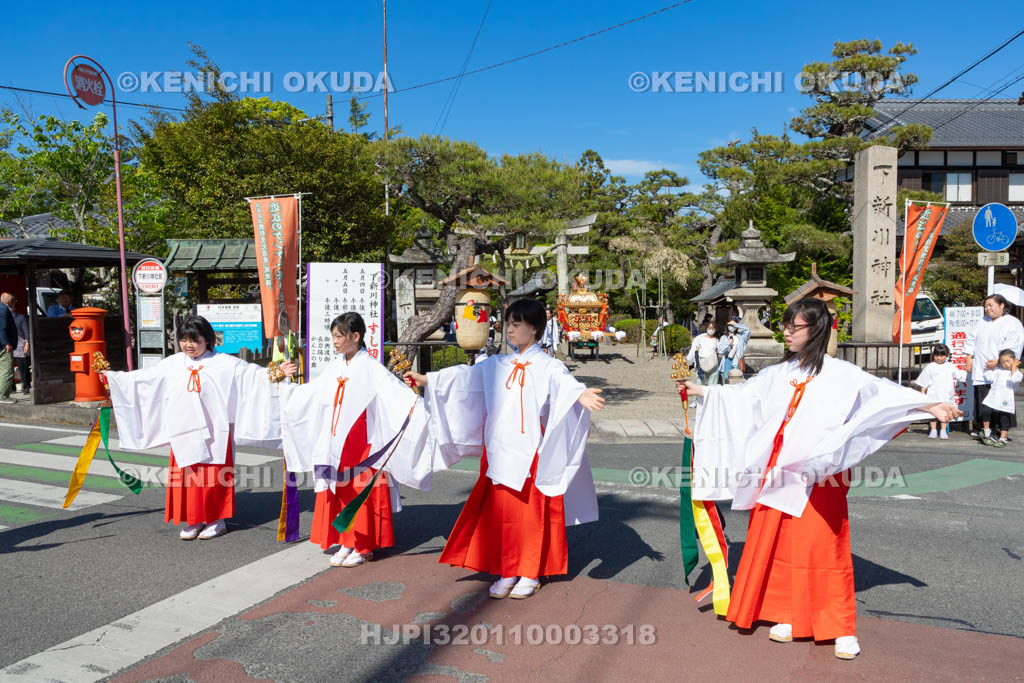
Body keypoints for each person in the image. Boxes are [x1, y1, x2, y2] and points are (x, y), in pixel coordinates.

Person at [680, 298, 959, 660]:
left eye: (793, 327)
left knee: (824, 545)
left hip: (818, 472)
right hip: (777, 471)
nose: (785, 332)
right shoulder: (777, 373)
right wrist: (702, 391)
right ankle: (789, 614)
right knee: (781, 543)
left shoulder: (842, 373)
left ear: (816, 329)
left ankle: (838, 624)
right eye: (785, 326)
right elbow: (743, 396)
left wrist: (928, 406)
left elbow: (881, 394)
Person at [403, 298, 605, 600]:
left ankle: (530, 570)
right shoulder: (497, 364)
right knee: (504, 514)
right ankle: (509, 567)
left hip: (531, 451)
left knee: (531, 513)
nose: (508, 329)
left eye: (516, 324)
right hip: (499, 449)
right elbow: (465, 378)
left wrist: (580, 395)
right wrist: (428, 380)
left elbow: (565, 384)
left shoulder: (549, 365)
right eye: (508, 323)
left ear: (534, 329)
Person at [103, 316, 281, 540]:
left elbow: (253, 376)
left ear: (207, 339)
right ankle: (194, 519)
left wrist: (277, 372)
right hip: (183, 430)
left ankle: (217, 520)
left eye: (195, 340)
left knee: (214, 475)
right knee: (186, 476)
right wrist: (113, 378)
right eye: (184, 339)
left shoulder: (225, 363)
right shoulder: (173, 363)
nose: (189, 345)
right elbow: (143, 380)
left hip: (215, 431)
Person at [277, 312, 425, 567]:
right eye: (332, 336)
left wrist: (414, 399)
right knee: (341, 490)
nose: (334, 341)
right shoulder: (335, 367)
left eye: (338, 336)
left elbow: (395, 395)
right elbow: (311, 395)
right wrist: (287, 385)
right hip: (336, 440)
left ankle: (363, 544)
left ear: (355, 336)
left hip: (363, 441)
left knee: (359, 490)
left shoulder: (371, 368)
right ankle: (347, 540)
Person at [964, 294, 1024, 439]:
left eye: (991, 305)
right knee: (983, 399)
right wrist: (968, 358)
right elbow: (971, 339)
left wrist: (998, 361)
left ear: (1002, 305)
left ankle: (1000, 430)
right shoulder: (982, 321)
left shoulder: (1012, 323)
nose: (987, 308)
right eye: (986, 306)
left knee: (1000, 398)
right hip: (981, 368)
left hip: (1001, 370)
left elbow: (1014, 345)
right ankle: (984, 428)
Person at [915, 343, 967, 439]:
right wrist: (923, 392)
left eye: (941, 355)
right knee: (933, 412)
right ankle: (933, 429)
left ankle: (943, 430)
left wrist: (965, 371)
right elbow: (924, 381)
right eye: (936, 355)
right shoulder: (930, 366)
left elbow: (959, 375)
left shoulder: (950, 366)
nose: (939, 358)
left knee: (945, 412)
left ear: (946, 355)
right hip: (933, 393)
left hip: (946, 393)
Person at [980, 349, 1022, 447]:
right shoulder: (998, 371)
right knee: (986, 411)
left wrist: (1014, 366)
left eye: (1008, 361)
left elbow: (1014, 379)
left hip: (1005, 399)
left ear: (1014, 360)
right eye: (1002, 362)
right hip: (993, 397)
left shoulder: (1018, 373)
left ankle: (1003, 438)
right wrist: (988, 367)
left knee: (1004, 418)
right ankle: (986, 431)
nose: (1005, 364)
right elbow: (988, 376)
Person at [686, 322, 720, 404]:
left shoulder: (716, 340)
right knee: (699, 381)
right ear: (707, 328)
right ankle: (695, 401)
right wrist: (697, 364)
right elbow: (696, 352)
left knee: (713, 382)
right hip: (702, 361)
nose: (711, 330)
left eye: (713, 328)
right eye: (710, 327)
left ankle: (711, 401)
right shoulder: (700, 339)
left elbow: (718, 352)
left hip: (713, 362)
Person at [0, 292, 17, 404]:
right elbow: (2, 328)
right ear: (10, 301)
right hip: (3, 346)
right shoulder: (4, 310)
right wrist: (6, 343)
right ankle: (3, 396)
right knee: (7, 370)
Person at [13, 304, 30, 396]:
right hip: (7, 346)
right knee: (8, 369)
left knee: (23, 368)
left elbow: (27, 331)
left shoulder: (21, 318)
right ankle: (11, 388)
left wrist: (27, 342)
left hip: (20, 345)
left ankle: (27, 387)